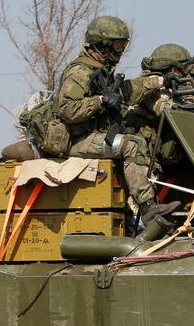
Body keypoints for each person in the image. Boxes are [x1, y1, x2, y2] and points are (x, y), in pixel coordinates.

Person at [55, 16, 179, 225]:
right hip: (75, 139)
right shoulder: (80, 72)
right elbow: (66, 109)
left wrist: (160, 81)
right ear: (102, 44)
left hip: (91, 135)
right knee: (132, 145)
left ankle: (137, 212)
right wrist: (100, 101)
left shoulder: (100, 71)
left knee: (136, 137)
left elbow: (127, 91)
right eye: (118, 45)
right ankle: (147, 207)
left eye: (124, 45)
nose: (121, 51)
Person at [123, 43, 192, 159]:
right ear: (173, 69)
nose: (186, 74)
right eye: (183, 70)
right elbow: (167, 108)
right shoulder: (150, 84)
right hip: (140, 153)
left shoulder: (166, 84)